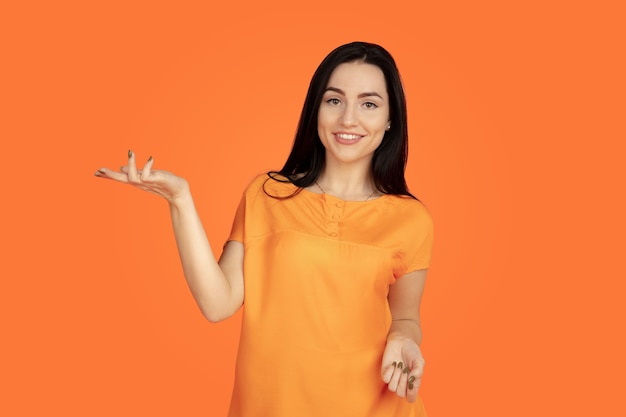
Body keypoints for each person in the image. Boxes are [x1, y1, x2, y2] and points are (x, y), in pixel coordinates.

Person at [95, 41, 434, 417]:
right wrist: (180, 201)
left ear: (390, 120)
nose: (348, 119)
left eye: (369, 104)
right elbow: (217, 303)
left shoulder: (410, 219)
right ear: (316, 109)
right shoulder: (267, 195)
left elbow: (405, 317)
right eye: (334, 100)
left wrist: (404, 340)